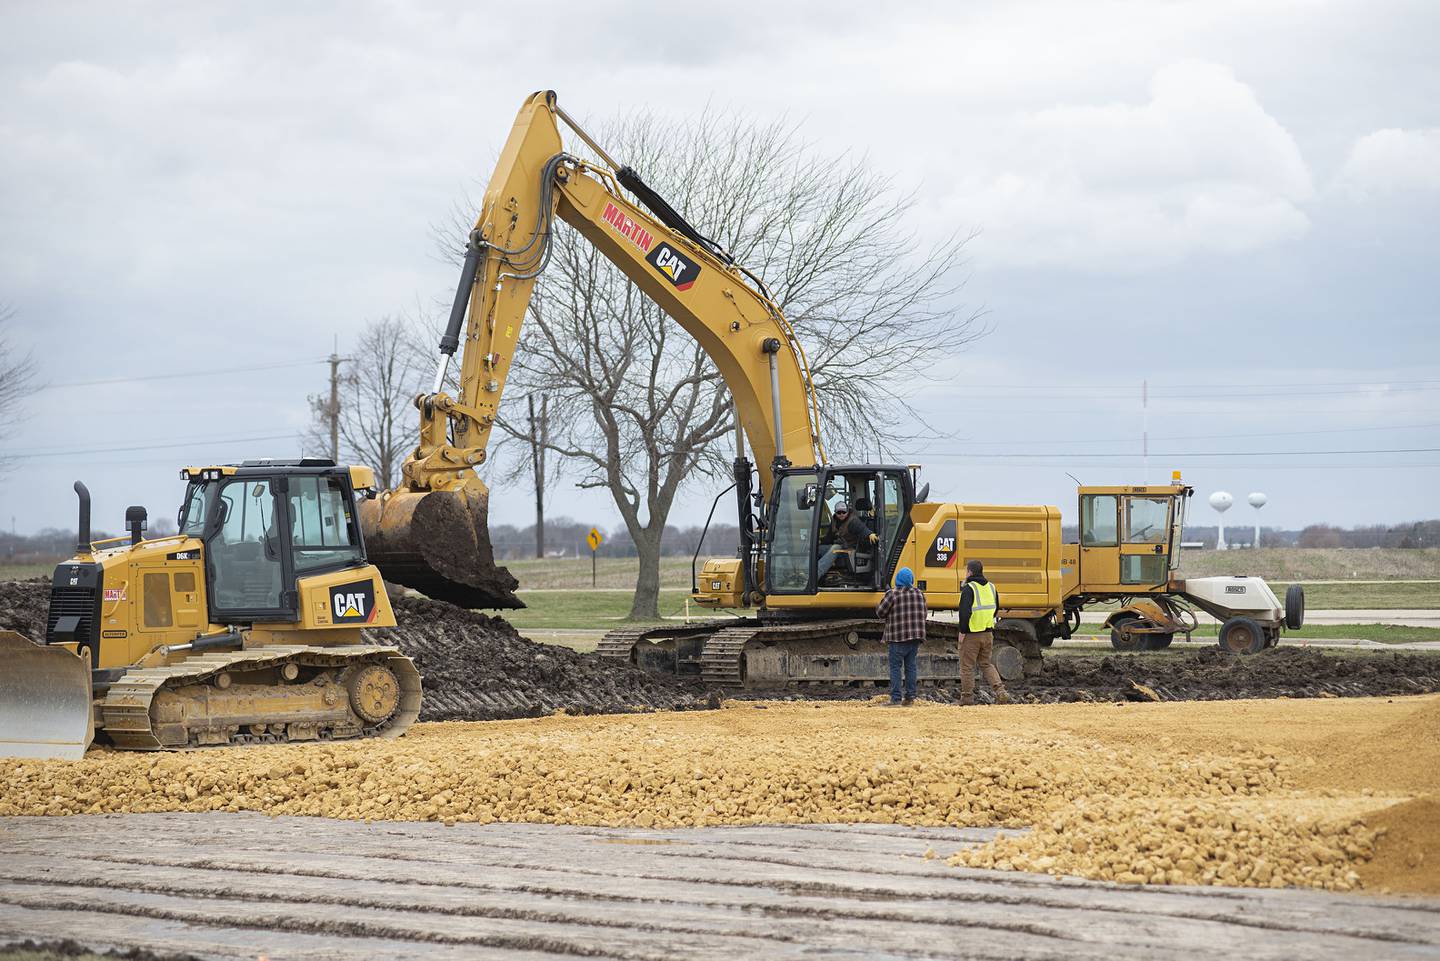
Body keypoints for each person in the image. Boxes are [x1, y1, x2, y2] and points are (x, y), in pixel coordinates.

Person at [958, 559, 1011, 705]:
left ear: (969, 572)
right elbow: (995, 609)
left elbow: (964, 613)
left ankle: (967, 698)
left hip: (972, 634)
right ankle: (1000, 691)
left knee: (967, 666)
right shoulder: (992, 587)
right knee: (986, 664)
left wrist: (963, 632)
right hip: (988, 633)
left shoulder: (969, 589)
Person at [876, 566, 926, 706]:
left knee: (895, 667)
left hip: (898, 637)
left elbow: (880, 613)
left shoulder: (892, 594)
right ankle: (910, 698)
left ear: (898, 580)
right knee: (911, 667)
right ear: (911, 580)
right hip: (915, 637)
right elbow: (924, 613)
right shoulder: (919, 594)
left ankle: (896, 699)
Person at [817, 501, 879, 580]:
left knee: (835, 548)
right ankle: (806, 572)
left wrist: (869, 534)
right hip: (839, 546)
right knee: (817, 549)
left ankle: (816, 574)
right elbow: (829, 537)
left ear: (847, 511)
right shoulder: (834, 520)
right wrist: (820, 542)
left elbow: (862, 529)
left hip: (850, 548)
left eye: (844, 512)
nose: (841, 514)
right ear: (835, 512)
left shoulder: (853, 521)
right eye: (839, 512)